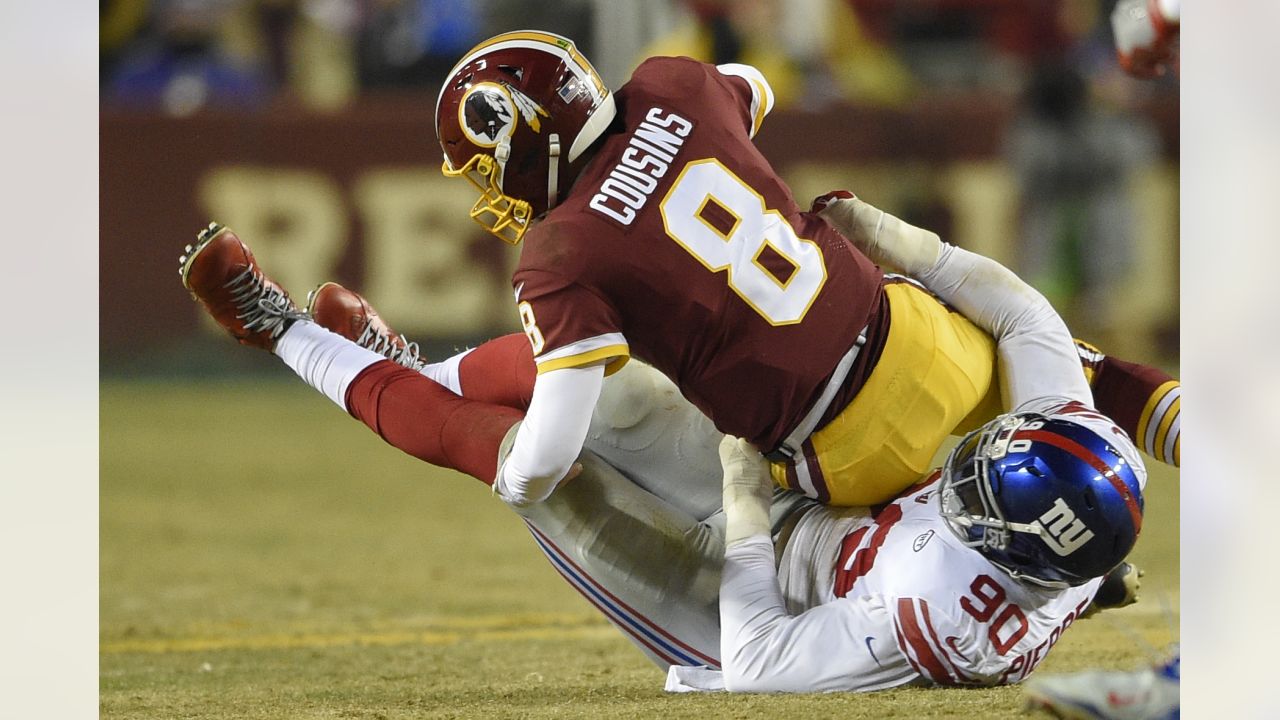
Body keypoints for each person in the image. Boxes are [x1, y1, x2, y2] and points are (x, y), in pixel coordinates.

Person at [177, 221, 1146, 692]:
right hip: (804, 530)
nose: (956, 469)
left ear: (998, 547)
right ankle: (402, 371)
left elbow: (763, 660)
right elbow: (1021, 310)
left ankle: (282, 333)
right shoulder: (1070, 462)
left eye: (966, 486)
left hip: (731, 612)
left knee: (536, 467)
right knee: (626, 386)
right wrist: (901, 244)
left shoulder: (936, 622)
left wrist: (743, 507)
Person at [429, 30, 1177, 512]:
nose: (490, 189)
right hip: (921, 342)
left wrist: (513, 479)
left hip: (839, 456)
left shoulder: (560, 252)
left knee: (717, 489)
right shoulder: (673, 86)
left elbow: (550, 451)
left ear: (518, 132)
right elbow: (754, 85)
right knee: (1069, 357)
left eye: (483, 168)